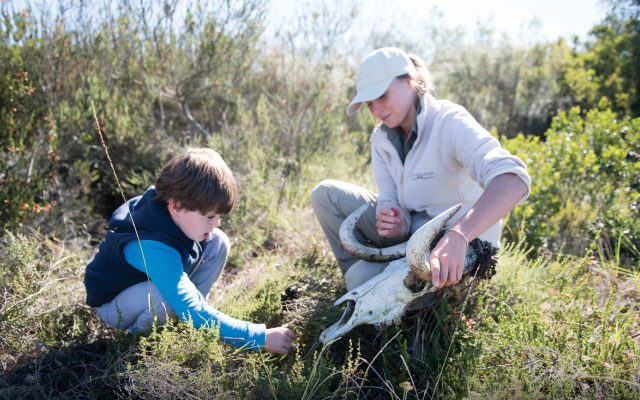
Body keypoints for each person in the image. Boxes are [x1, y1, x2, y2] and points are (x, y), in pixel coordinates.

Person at [312, 47, 531, 291]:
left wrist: (459, 235)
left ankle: (376, 287)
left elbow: (513, 180)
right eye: (369, 104)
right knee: (324, 194)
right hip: (412, 241)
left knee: (366, 284)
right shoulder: (381, 140)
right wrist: (397, 221)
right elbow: (391, 200)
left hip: (460, 250)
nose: (376, 110)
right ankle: (362, 284)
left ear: (410, 81)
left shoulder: (449, 122)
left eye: (382, 96)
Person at [84, 148, 296, 354]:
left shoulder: (177, 214)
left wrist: (193, 312)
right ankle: (136, 347)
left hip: (149, 288)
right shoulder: (151, 245)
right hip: (115, 306)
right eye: (210, 216)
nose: (217, 223)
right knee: (162, 298)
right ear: (176, 206)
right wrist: (260, 338)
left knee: (218, 241)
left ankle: (186, 325)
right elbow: (191, 308)